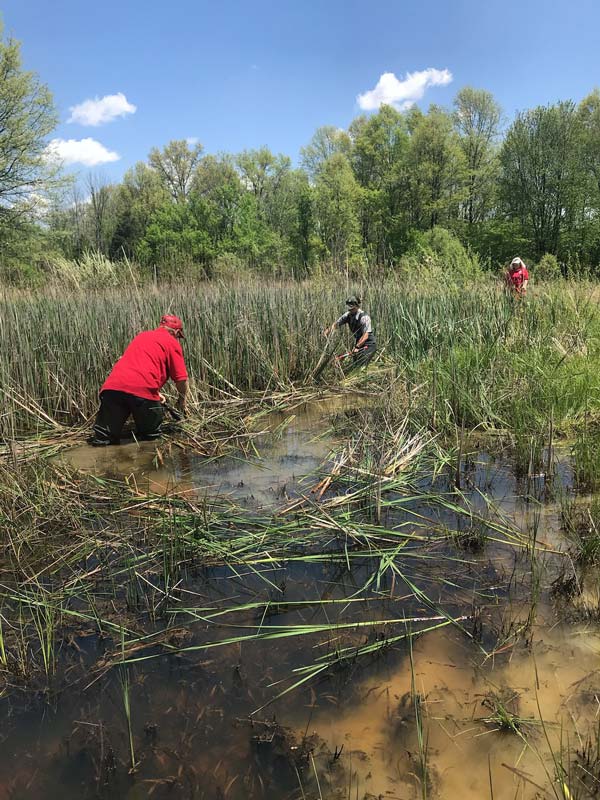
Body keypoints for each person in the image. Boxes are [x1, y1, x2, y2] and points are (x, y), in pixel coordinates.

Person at [91, 314, 189, 446]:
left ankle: (99, 463)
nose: (178, 339)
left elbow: (134, 367)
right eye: (178, 337)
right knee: (151, 439)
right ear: (177, 332)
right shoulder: (171, 342)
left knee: (103, 438)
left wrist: (156, 393)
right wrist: (182, 401)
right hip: (142, 392)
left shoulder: (142, 336)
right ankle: (145, 463)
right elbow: (181, 379)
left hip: (112, 388)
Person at [324, 295, 377, 369]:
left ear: (357, 306)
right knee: (355, 365)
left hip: (368, 344)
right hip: (359, 342)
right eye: (349, 308)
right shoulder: (347, 315)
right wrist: (327, 331)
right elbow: (336, 325)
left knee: (362, 366)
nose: (350, 310)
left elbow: (366, 335)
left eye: (352, 309)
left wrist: (357, 347)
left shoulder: (364, 317)